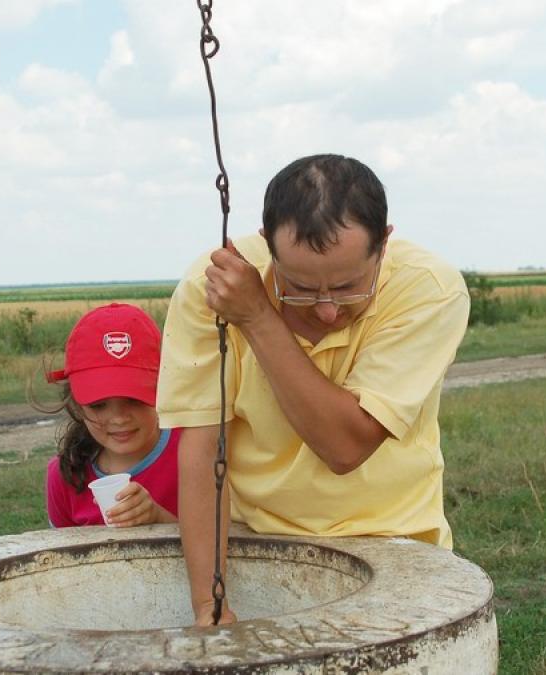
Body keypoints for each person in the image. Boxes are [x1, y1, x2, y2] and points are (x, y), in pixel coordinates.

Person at [158, 153, 471, 625]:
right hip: (257, 538)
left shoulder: (429, 289)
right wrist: (209, 604)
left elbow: (344, 446)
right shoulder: (216, 286)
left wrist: (260, 316)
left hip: (394, 539)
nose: (326, 310)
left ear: (384, 244)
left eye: (347, 287)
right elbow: (203, 450)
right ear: (268, 247)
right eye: (300, 287)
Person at [36, 303, 181, 528]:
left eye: (134, 399)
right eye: (99, 405)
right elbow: (63, 559)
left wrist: (158, 518)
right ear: (76, 405)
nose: (119, 418)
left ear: (164, 389)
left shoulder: (191, 453)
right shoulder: (64, 475)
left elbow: (223, 546)